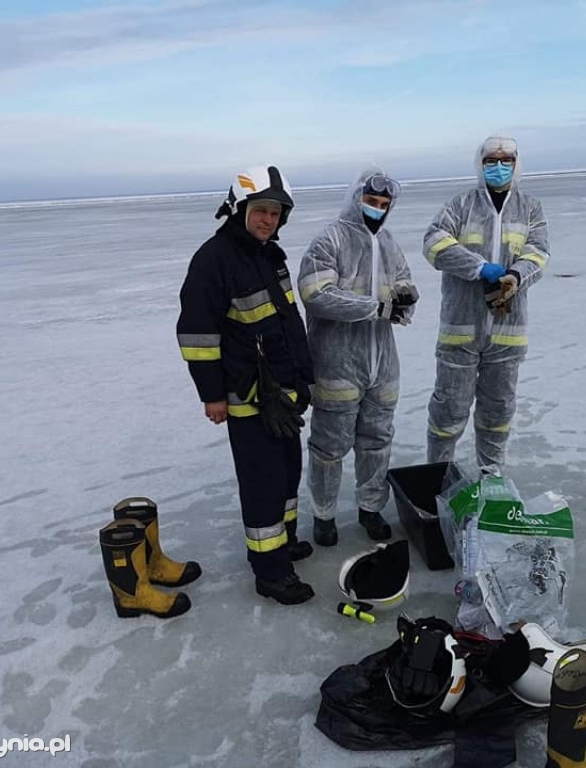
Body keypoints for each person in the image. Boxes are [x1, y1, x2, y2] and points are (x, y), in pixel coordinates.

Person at [177, 165, 315, 605]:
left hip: (282, 394)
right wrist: (212, 395)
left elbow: (288, 325)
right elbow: (197, 334)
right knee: (263, 482)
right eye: (260, 211)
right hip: (248, 397)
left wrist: (302, 378)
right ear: (239, 210)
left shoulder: (270, 256)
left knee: (288, 472)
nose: (267, 220)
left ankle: (284, 543)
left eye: (275, 212)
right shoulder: (214, 259)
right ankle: (270, 571)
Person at [298, 168, 419, 547]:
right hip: (337, 364)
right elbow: (316, 294)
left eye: (383, 204)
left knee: (377, 439)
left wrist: (405, 299)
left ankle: (371, 507)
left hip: (381, 363)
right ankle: (324, 514)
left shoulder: (389, 242)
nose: (377, 209)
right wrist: (376, 308)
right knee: (329, 445)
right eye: (371, 201)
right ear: (356, 199)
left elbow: (402, 280)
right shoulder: (330, 239)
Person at [422, 136, 549, 473]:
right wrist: (480, 268)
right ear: (480, 163)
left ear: (516, 164)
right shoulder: (461, 204)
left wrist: (515, 277)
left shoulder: (530, 207)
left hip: (507, 334)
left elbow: (538, 253)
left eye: (506, 160)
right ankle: (437, 478)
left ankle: (491, 479)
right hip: (460, 332)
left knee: (498, 413)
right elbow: (434, 244)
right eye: (491, 160)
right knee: (448, 412)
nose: (499, 166)